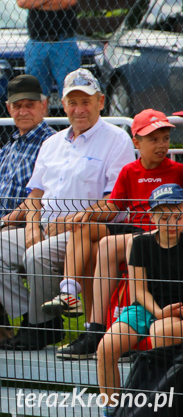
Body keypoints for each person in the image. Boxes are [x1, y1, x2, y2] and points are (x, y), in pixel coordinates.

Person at [0, 68, 134, 351]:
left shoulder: (116, 139)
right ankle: (35, 319)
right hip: (43, 227)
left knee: (37, 255)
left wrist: (68, 222)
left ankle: (39, 328)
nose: (79, 109)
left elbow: (115, 203)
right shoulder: (52, 143)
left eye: (86, 102)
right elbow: (35, 196)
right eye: (72, 102)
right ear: (63, 105)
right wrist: (31, 228)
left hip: (84, 231)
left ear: (100, 101)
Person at [51, 109, 183, 360]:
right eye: (153, 139)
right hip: (137, 230)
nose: (161, 145)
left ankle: (101, 330)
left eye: (165, 138)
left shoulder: (177, 171)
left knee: (109, 245)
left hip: (166, 232)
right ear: (137, 142)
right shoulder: (130, 171)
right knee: (84, 227)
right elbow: (113, 207)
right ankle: (70, 294)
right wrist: (86, 215)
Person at [0, 75, 55, 347]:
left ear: (45, 106)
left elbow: (34, 198)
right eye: (17, 106)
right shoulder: (9, 145)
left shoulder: (50, 143)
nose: (23, 111)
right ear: (8, 109)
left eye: (30, 104)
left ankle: (21, 321)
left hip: (19, 224)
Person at [95, 184, 183, 416]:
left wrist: (168, 313)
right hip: (146, 307)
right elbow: (139, 291)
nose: (171, 223)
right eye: (164, 217)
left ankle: (160, 405)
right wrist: (158, 310)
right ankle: (112, 409)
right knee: (106, 347)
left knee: (161, 333)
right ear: (152, 217)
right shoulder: (141, 243)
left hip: (178, 308)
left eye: (178, 216)